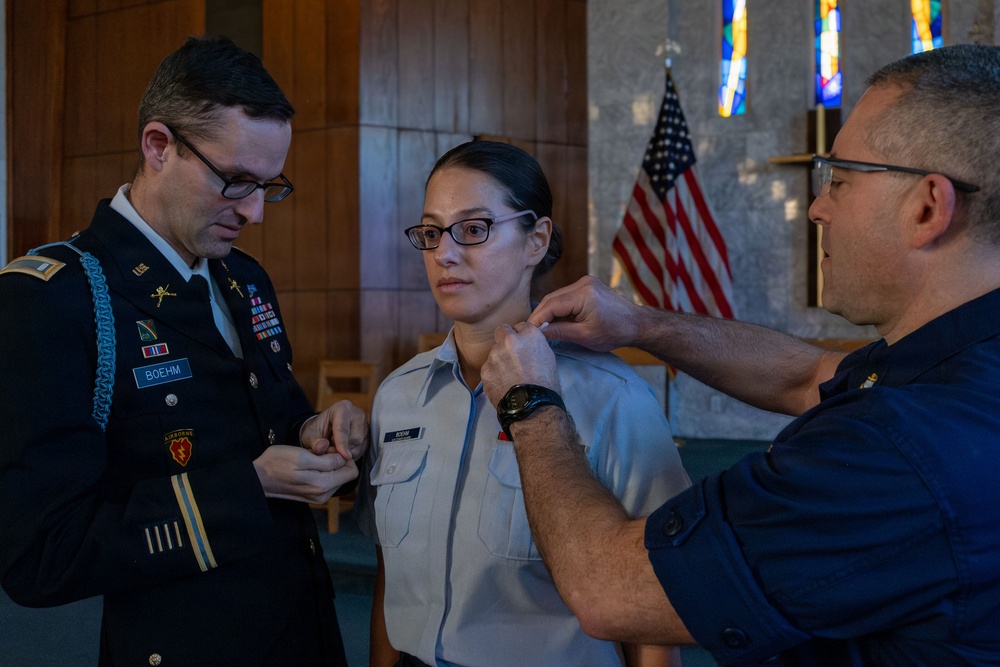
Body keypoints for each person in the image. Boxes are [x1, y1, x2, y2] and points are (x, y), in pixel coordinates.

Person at [479, 43, 1000, 665]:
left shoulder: (903, 447)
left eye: (840, 180)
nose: (817, 207)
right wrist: (641, 323)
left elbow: (611, 590)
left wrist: (530, 403)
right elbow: (806, 377)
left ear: (927, 207)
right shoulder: (957, 364)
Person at [0, 36, 367, 666]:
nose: (255, 212)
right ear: (158, 146)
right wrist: (248, 487)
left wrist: (315, 430)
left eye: (268, 186)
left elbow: (269, 419)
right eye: (236, 182)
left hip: (303, 629)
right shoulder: (58, 296)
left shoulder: (245, 277)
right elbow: (41, 555)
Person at [354, 140, 691, 667]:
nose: (444, 254)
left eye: (473, 229)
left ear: (536, 240)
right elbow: (388, 576)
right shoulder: (398, 395)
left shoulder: (611, 397)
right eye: (432, 233)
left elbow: (654, 599)